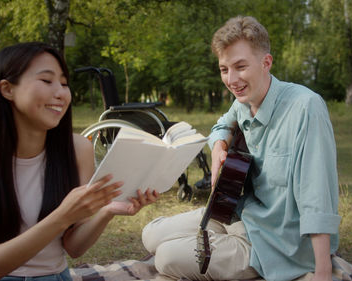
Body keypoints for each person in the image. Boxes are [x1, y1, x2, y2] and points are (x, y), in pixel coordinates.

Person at [142, 16, 340, 281]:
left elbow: (317, 195)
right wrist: (219, 145)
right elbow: (221, 125)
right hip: (241, 216)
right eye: (224, 69)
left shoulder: (306, 108)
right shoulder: (243, 102)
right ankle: (219, 239)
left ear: (266, 63)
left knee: (166, 257)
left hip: (278, 245)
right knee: (150, 233)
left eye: (240, 67)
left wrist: (323, 272)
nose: (232, 79)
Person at [0, 42, 158, 281]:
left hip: (56, 277)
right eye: (47, 81)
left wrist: (108, 211)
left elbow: (74, 247)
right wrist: (62, 216)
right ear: (7, 89)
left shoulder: (78, 148)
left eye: (64, 83)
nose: (61, 93)